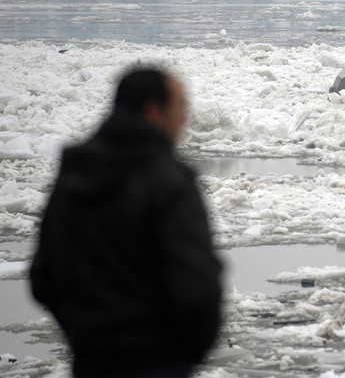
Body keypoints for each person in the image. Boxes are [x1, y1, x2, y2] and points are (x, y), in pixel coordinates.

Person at [30, 67, 223, 378]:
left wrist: (86, 336)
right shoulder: (168, 181)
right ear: (153, 111)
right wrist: (184, 352)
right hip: (159, 364)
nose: (186, 119)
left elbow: (44, 277)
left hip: (92, 362)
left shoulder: (75, 174)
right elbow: (196, 285)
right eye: (181, 107)